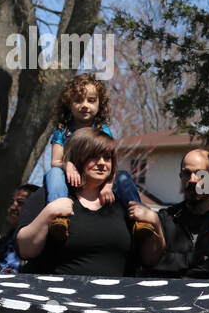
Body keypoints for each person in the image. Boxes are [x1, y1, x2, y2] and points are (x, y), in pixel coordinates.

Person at [18, 128, 165, 275]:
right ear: (77, 158)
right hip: (59, 295)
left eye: (107, 158)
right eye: (94, 157)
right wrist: (49, 212)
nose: (102, 163)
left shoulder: (124, 202)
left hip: (115, 295)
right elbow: (25, 250)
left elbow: (151, 259)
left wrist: (156, 222)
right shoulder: (50, 195)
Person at [43, 75, 140, 235]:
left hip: (98, 179)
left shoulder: (102, 130)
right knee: (54, 173)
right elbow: (55, 161)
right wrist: (68, 165)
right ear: (69, 104)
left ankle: (139, 220)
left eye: (91, 100)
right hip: (71, 178)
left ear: (99, 103)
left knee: (123, 177)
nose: (85, 105)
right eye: (78, 100)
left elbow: (112, 163)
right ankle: (58, 217)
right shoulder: (63, 129)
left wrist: (108, 186)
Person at [147, 149, 209, 279]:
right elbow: (151, 262)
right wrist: (194, 259)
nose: (192, 180)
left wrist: (172, 261)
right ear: (181, 177)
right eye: (187, 173)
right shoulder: (165, 219)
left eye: (200, 174)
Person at [0, 184, 39, 273]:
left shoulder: (41, 244)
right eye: (11, 203)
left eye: (20, 202)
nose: (12, 207)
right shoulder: (3, 242)